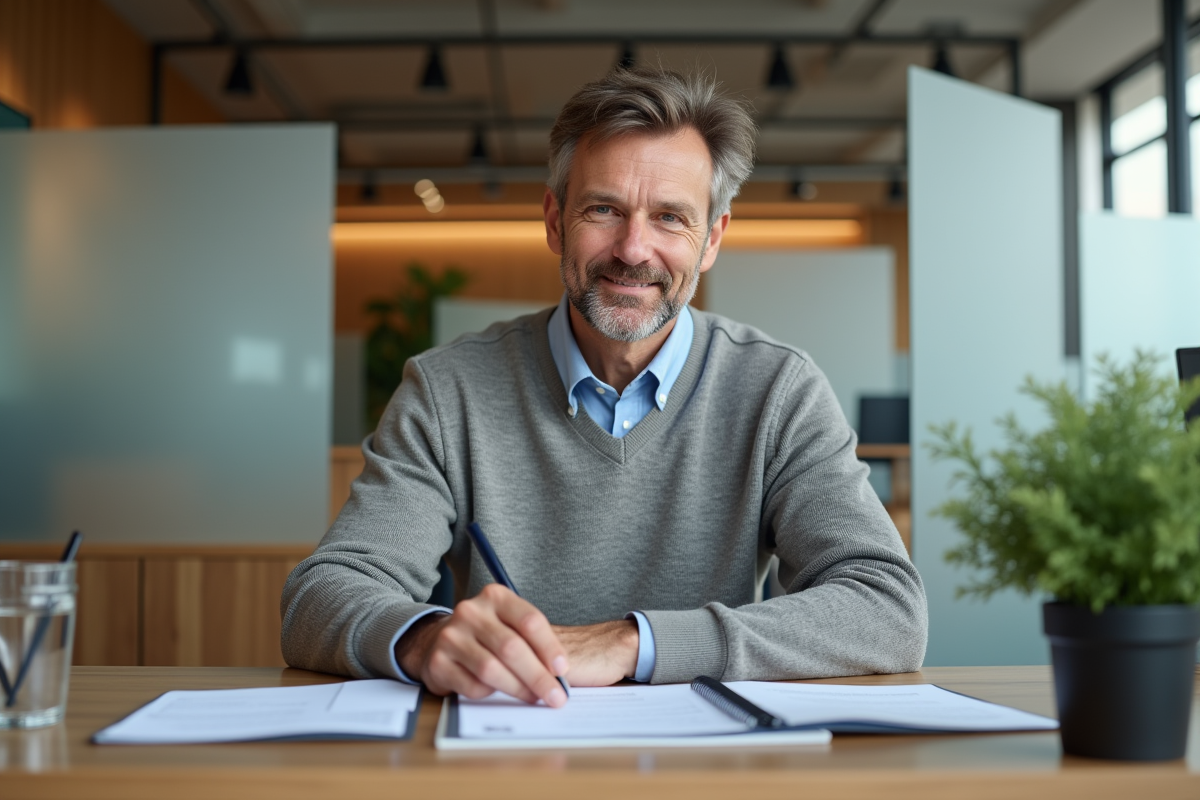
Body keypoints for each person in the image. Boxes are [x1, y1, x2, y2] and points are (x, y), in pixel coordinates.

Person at [281, 67, 927, 709]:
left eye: (671, 217)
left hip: (712, 767)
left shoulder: (777, 391)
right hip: (509, 755)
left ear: (712, 240)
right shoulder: (447, 392)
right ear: (555, 221)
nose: (633, 248)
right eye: (604, 209)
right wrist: (425, 638)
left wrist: (634, 643)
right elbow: (322, 595)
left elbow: (887, 607)